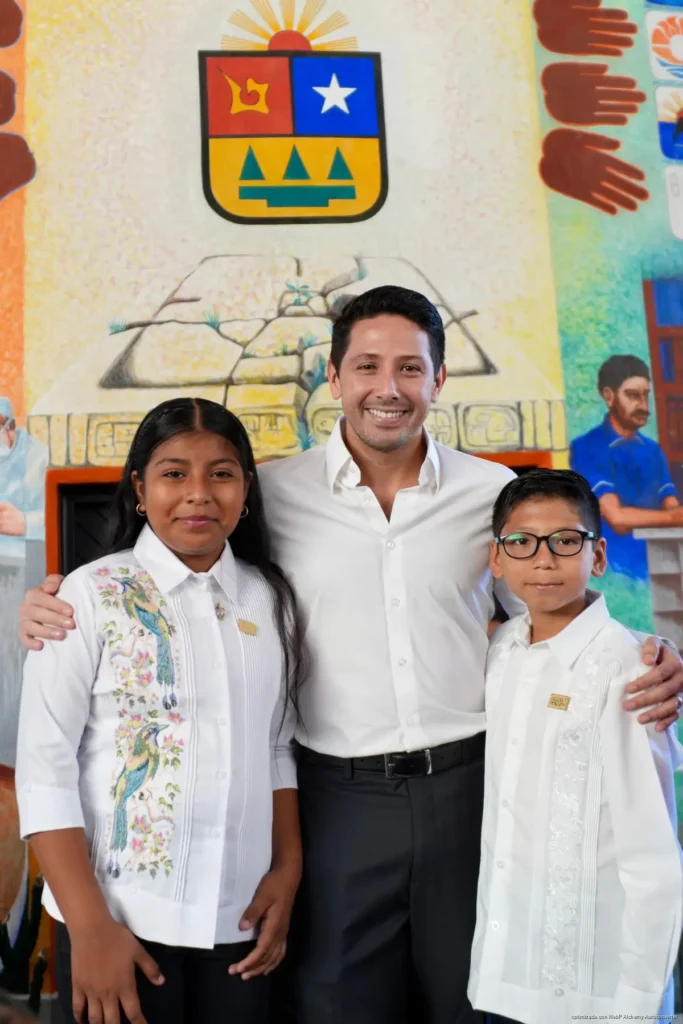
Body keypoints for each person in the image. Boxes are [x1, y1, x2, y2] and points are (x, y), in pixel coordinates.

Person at [18, 288, 683, 1024]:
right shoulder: (267, 495)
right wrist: (58, 602)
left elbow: (551, 601)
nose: (386, 388)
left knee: (475, 1001)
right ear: (333, 379)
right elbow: (174, 568)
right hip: (334, 799)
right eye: (366, 366)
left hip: (472, 788)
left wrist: (646, 652)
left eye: (408, 367)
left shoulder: (492, 494)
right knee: (334, 1005)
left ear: (437, 380)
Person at [14, 398, 306, 1024]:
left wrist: (288, 870)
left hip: (242, 921)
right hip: (119, 922)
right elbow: (45, 770)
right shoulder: (87, 597)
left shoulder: (270, 600)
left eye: (221, 474)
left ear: (246, 490)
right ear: (140, 490)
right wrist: (90, 928)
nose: (199, 493)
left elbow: (277, 746)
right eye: (174, 473)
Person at [469, 469, 683, 1024]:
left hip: (597, 991)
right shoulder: (501, 652)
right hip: (505, 973)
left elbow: (652, 856)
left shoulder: (630, 670)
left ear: (599, 555)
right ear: (497, 560)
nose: (544, 559)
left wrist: (640, 1005)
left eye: (566, 541)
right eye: (521, 542)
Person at [570, 354, 683, 580]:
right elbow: (618, 519)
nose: (642, 405)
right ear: (609, 396)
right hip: (614, 574)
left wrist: (673, 516)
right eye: (633, 396)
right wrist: (672, 517)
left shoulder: (652, 450)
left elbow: (672, 506)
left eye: (645, 396)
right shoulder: (587, 447)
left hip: (665, 566)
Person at [0, 397, 48, 553]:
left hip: (28, 558)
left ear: (9, 427)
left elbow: (59, 518)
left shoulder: (39, 459)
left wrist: (25, 523)